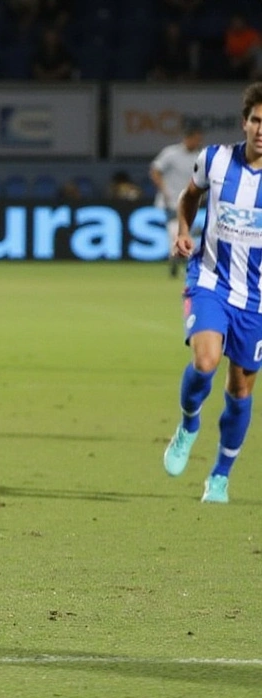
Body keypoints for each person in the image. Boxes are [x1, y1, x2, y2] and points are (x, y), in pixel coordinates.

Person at [164, 83, 262, 504]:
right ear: (245, 122)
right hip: (211, 279)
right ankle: (188, 423)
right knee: (204, 361)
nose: (261, 129)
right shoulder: (216, 160)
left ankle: (220, 475)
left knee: (240, 389)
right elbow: (189, 197)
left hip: (256, 298)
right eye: (257, 120)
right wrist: (185, 232)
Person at [150, 125, 204, 278]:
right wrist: (164, 190)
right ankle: (176, 261)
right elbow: (155, 170)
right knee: (175, 231)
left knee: (185, 232)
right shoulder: (171, 153)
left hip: (191, 201)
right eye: (196, 139)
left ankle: (180, 260)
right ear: (187, 138)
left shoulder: (200, 156)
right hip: (171, 201)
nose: (198, 142)